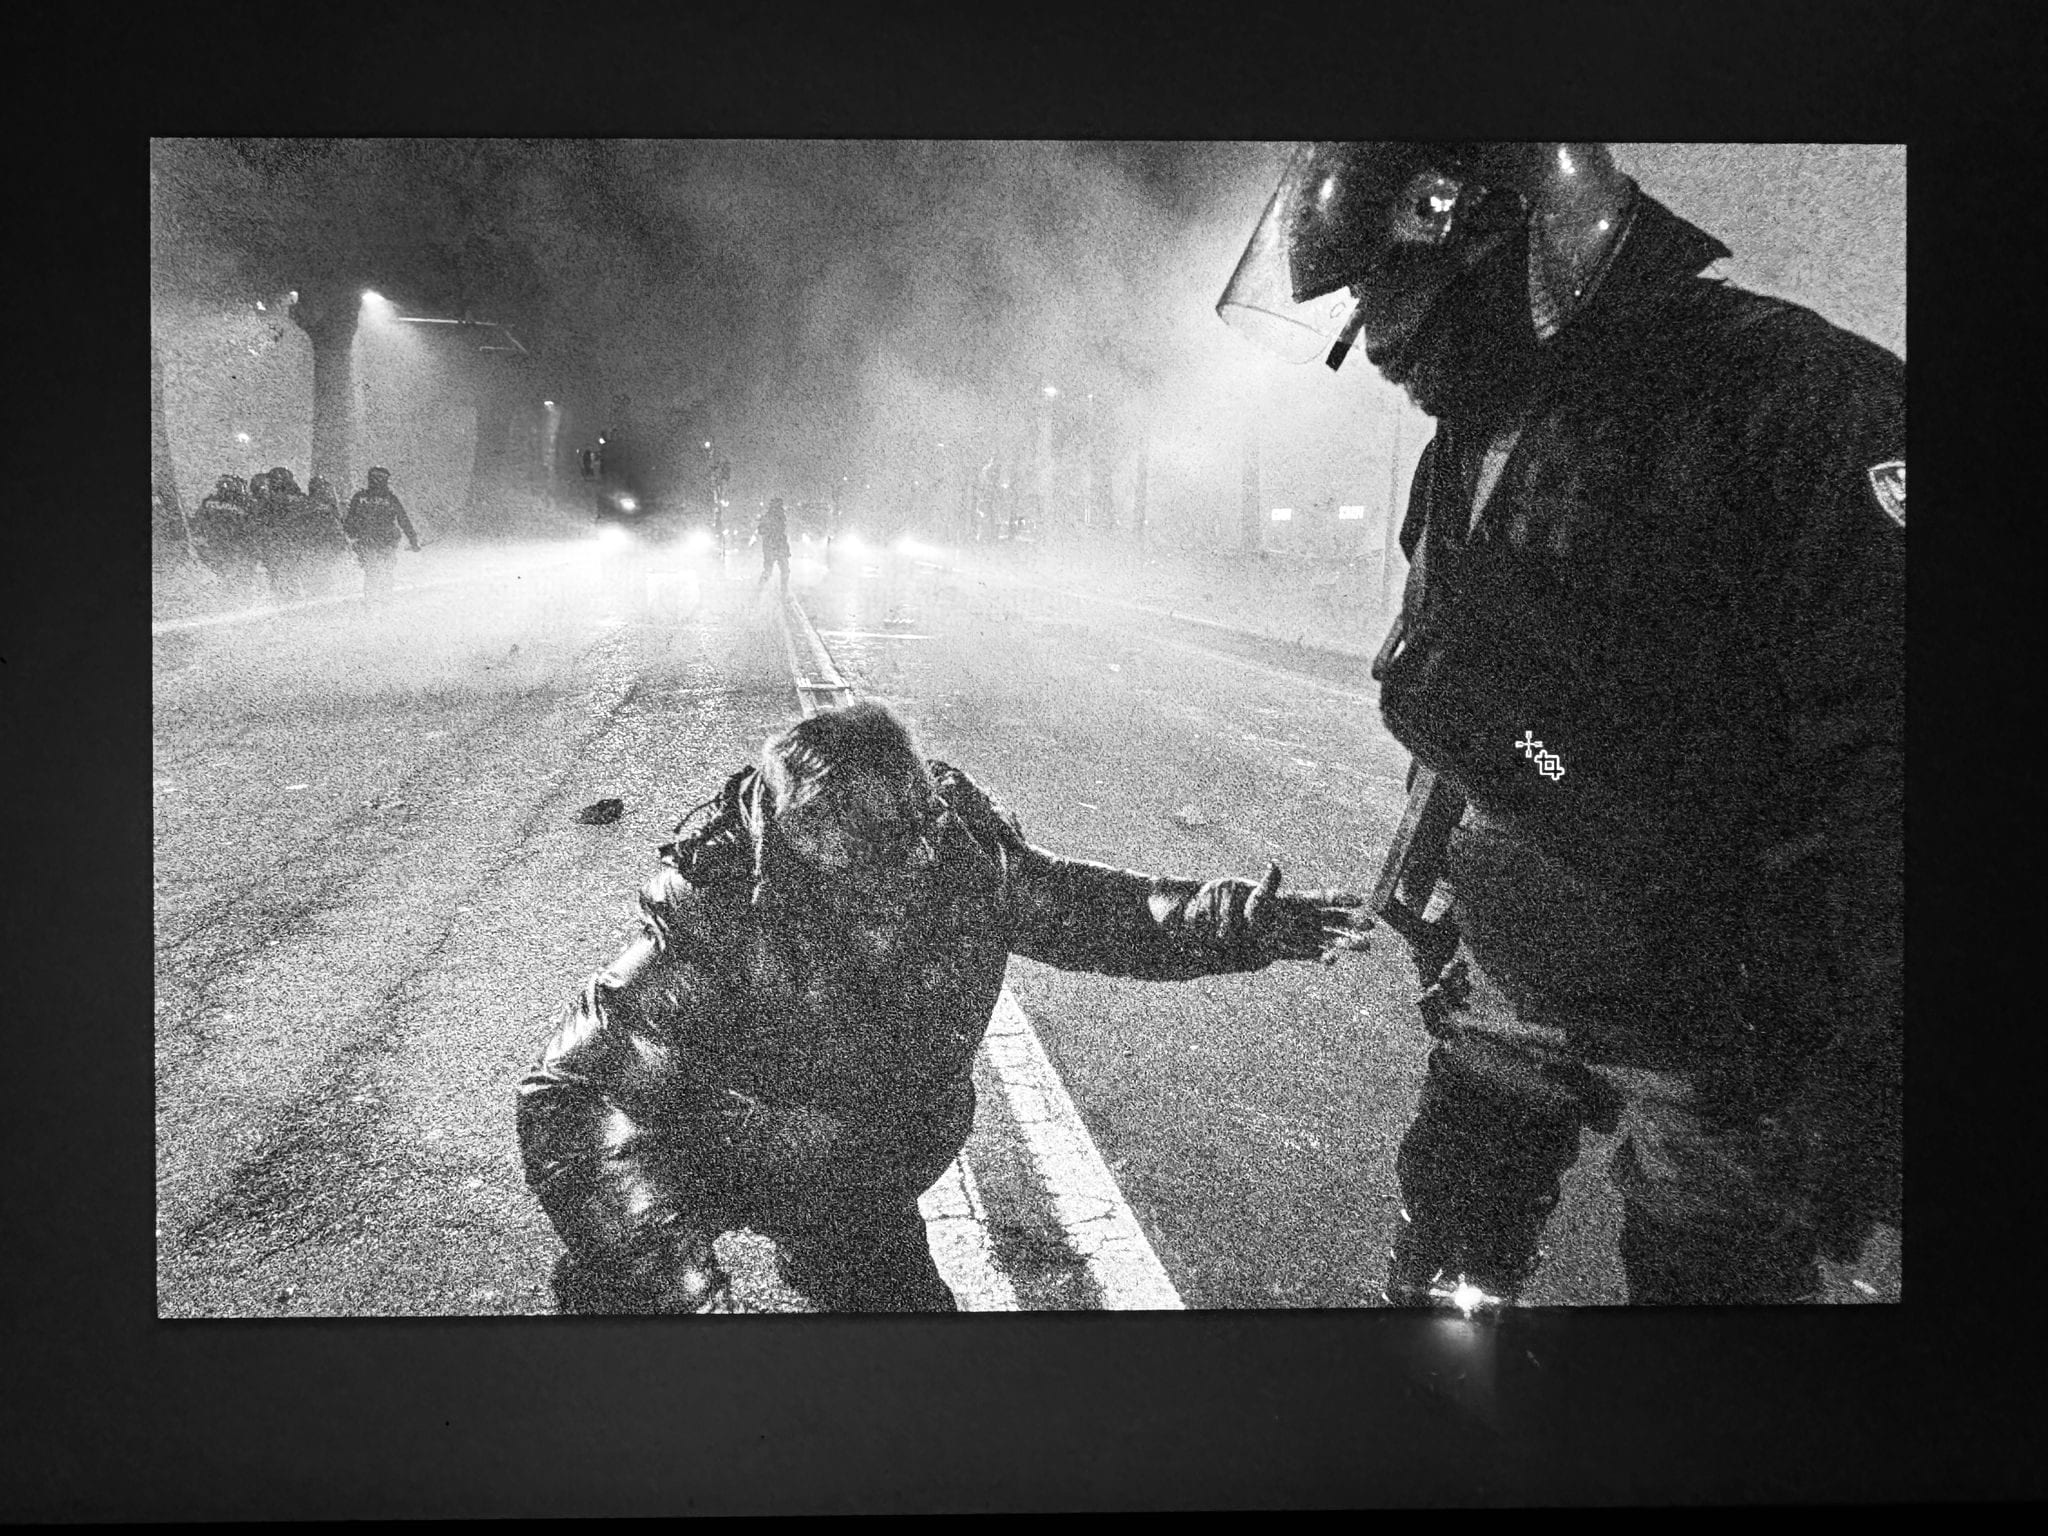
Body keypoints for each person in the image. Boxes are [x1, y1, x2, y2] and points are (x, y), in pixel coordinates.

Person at [1218, 142, 1902, 1306]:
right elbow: (1469, 690)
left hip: (1722, 1022)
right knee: (1440, 1277)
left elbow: (1889, 750)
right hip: (1515, 995)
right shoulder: (1480, 432)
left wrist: (1871, 1058)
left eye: (1384, 293)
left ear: (1480, 229)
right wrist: (1428, 890)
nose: (1373, 343)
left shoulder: (1792, 398)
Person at [516, 699, 1375, 1313]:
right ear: (810, 847)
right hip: (704, 1154)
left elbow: (1098, 915)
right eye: (877, 870)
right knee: (628, 1321)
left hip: (856, 1177)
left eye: (917, 844)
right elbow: (578, 1094)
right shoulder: (715, 911)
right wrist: (665, 1273)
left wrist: (1242, 924)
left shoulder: (960, 857)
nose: (910, 883)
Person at [343, 466, 421, 604]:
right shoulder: (391, 499)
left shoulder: (359, 497)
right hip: (386, 541)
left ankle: (370, 599)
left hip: (367, 541)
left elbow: (350, 520)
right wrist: (413, 540)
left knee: (371, 571)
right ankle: (385, 599)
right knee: (386, 570)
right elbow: (403, 520)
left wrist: (352, 536)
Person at [191, 474, 263, 595]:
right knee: (241, 579)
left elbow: (198, 523)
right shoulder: (245, 504)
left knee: (223, 576)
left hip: (214, 547)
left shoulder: (208, 502)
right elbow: (252, 528)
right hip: (235, 548)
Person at [754, 495, 791, 595]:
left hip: (776, 546)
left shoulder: (780, 518)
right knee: (774, 570)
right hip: (773, 546)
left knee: (781, 570)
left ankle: (782, 590)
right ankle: (761, 589)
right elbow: (761, 530)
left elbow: (762, 530)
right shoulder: (771, 517)